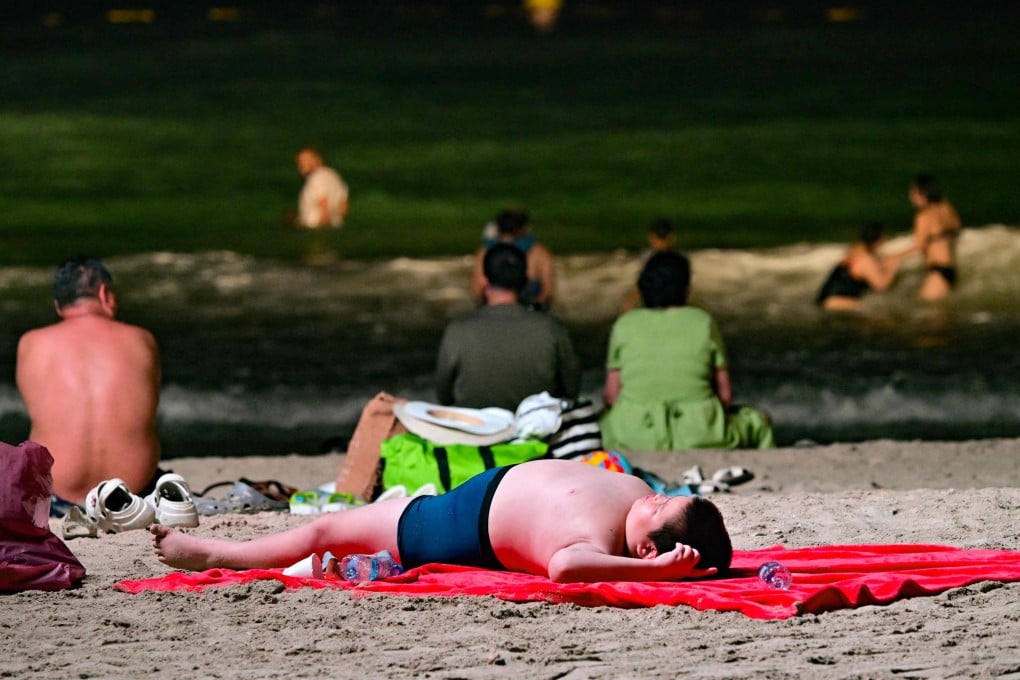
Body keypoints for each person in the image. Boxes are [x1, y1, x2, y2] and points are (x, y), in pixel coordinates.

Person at [151, 458, 731, 583]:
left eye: (660, 508)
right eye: (664, 496)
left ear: (651, 551)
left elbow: (564, 568)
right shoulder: (632, 490)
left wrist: (661, 577)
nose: (652, 497)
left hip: (458, 528)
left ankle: (209, 553)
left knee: (326, 528)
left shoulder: (598, 543)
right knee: (335, 528)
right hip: (469, 495)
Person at [15, 256, 164, 513]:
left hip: (54, 499)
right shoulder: (142, 340)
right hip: (132, 497)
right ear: (105, 294)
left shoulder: (32, 343)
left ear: (58, 306)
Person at [600, 251, 775, 452]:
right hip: (700, 431)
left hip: (634, 433)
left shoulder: (625, 324)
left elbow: (612, 397)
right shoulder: (702, 322)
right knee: (758, 422)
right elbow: (725, 396)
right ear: (686, 288)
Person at [438, 243, 580, 411]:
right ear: (525, 280)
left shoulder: (458, 330)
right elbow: (571, 389)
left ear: (484, 279)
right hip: (535, 432)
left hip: (474, 432)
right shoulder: (551, 328)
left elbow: (444, 395)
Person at [471, 207, 555, 310]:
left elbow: (477, 290)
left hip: (495, 309)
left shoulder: (484, 252)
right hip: (529, 312)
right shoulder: (538, 253)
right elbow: (548, 290)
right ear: (523, 229)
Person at [816, 221, 906, 311]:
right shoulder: (865, 259)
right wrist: (892, 267)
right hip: (838, 303)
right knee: (878, 311)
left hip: (825, 300)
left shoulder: (854, 250)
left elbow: (868, 268)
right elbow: (881, 286)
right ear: (877, 241)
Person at [905, 174, 963, 301]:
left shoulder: (922, 217)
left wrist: (894, 258)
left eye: (914, 194)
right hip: (950, 269)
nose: (911, 198)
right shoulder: (945, 207)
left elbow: (920, 247)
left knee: (929, 317)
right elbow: (957, 227)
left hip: (937, 271)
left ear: (923, 194)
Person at [620, 218, 678, 314]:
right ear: (672, 238)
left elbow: (642, 284)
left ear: (651, 237)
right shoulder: (680, 259)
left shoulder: (647, 257)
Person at [295, 148, 349, 229]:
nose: (302, 164)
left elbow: (324, 204)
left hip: (317, 228)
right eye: (300, 161)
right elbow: (343, 208)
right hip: (335, 226)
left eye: (306, 160)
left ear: (318, 160)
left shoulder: (316, 178)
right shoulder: (333, 175)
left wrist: (322, 229)